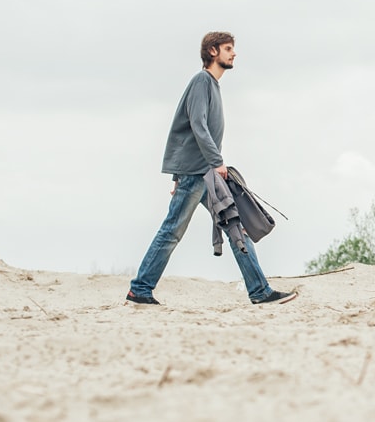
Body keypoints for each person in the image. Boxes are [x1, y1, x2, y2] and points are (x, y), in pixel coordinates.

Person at [126, 32, 296, 306]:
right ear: (213, 51)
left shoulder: (212, 85)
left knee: (235, 228)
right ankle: (140, 290)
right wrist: (214, 163)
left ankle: (259, 291)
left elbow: (194, 133)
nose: (234, 53)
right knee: (172, 231)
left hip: (202, 172)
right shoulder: (201, 81)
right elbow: (197, 125)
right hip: (199, 174)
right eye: (229, 48)